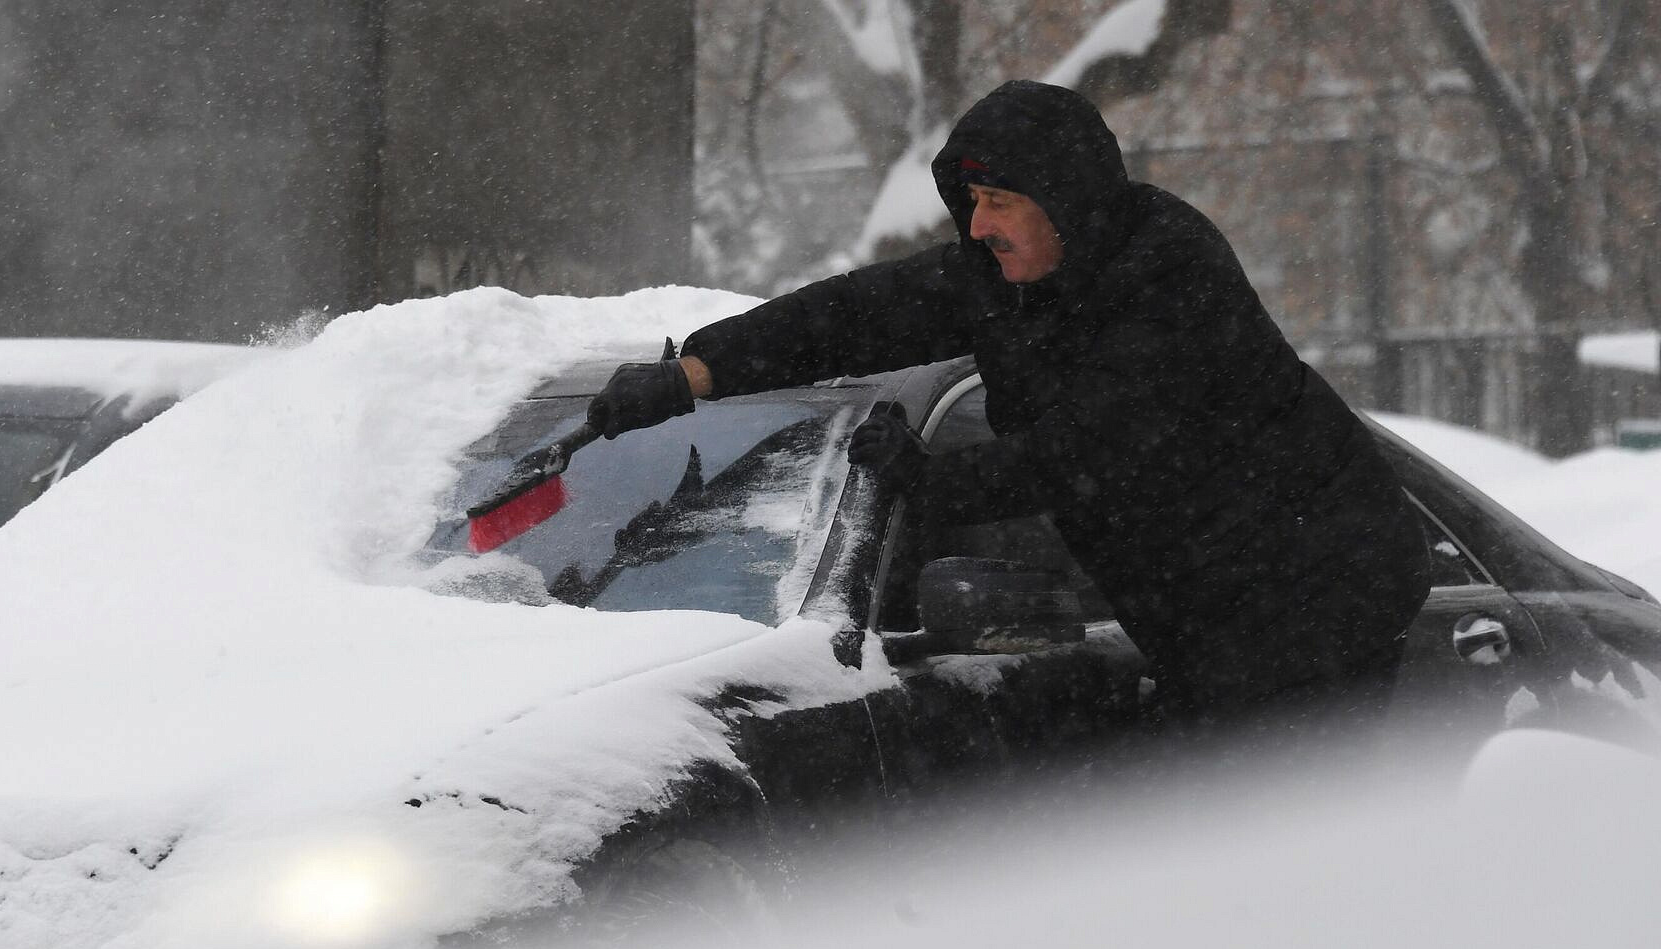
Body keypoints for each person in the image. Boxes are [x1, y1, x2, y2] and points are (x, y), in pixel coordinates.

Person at [586, 80, 1429, 733]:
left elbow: (1094, 452)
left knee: (1264, 847)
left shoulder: (1171, 277)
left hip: (1317, 593)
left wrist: (928, 484)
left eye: (1002, 202)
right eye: (971, 202)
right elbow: (851, 313)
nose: (979, 225)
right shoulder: (999, 275)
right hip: (1199, 610)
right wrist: (693, 373)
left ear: (1067, 201)